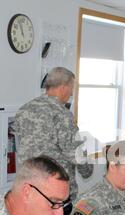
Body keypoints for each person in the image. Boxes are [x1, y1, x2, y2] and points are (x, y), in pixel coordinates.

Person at [14, 67, 93, 204]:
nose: (72, 93)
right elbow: (74, 151)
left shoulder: (24, 109)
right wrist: (87, 170)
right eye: (71, 88)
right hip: (55, 188)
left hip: (29, 184)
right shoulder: (62, 114)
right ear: (63, 87)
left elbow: (18, 143)